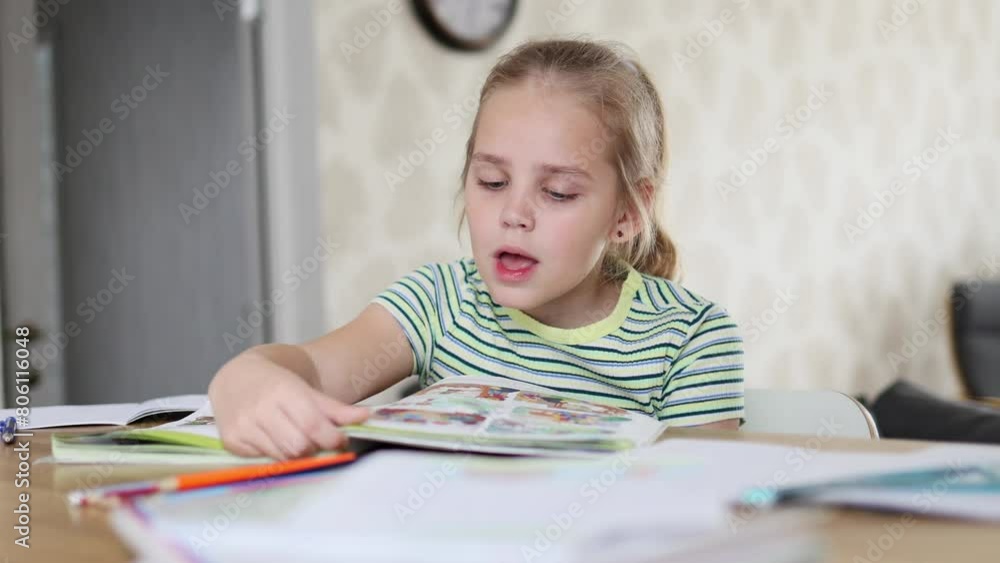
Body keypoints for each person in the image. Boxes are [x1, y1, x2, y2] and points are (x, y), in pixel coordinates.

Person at [208, 38, 745, 460]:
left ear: (626, 213)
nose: (514, 213)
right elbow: (309, 367)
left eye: (558, 192)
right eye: (492, 182)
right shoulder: (439, 301)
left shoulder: (690, 340)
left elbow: (698, 501)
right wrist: (244, 379)